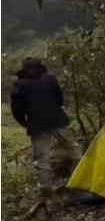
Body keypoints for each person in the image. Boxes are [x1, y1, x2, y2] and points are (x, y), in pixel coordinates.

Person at [10, 57, 82, 202]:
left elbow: (16, 109)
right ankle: (82, 178)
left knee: (42, 159)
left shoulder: (19, 85)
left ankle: (47, 192)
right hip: (58, 120)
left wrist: (25, 123)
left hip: (37, 126)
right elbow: (59, 97)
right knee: (72, 148)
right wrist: (58, 109)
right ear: (41, 66)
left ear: (24, 68)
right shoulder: (50, 78)